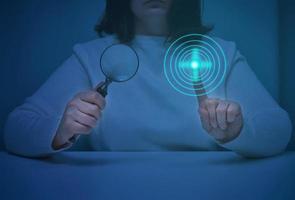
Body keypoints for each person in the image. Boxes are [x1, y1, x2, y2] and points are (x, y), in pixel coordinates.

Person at [4, 0, 292, 158]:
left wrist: (236, 133)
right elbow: (15, 129)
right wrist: (60, 130)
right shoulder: (91, 56)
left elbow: (278, 129)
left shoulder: (221, 54)